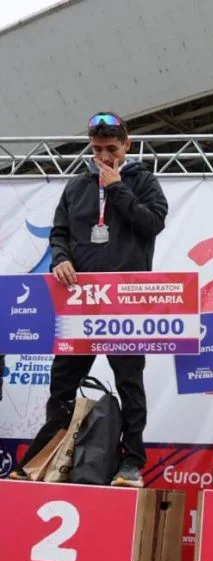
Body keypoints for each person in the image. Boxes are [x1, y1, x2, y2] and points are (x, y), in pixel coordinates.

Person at [16, 113, 167, 488]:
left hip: (125, 304)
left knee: (129, 383)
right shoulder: (77, 185)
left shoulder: (143, 181)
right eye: (97, 150)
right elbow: (59, 233)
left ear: (127, 144)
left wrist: (117, 188)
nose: (104, 157)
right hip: (79, 305)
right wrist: (60, 259)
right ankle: (45, 458)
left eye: (111, 149)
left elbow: (153, 223)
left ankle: (131, 463)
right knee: (62, 383)